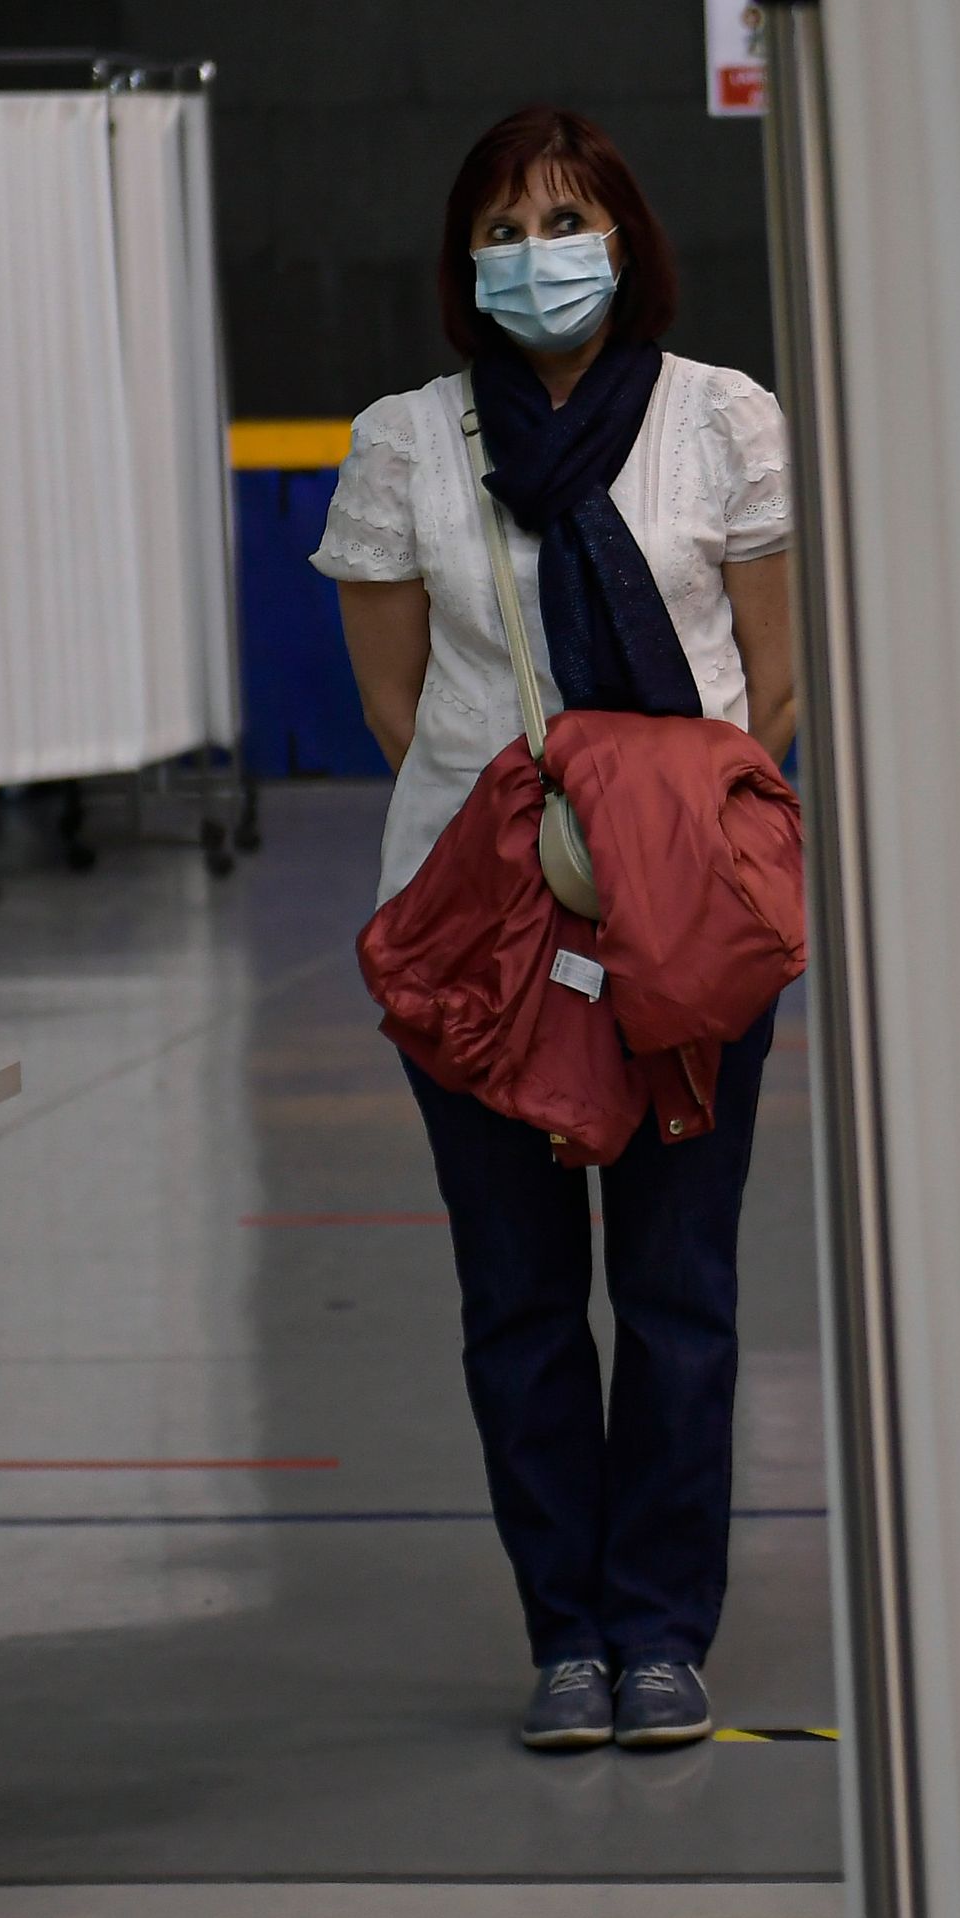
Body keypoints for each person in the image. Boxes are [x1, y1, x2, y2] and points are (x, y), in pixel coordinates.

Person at [316, 106, 802, 1754]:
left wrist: (656, 844)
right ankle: (565, 1634)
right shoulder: (405, 442)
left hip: (686, 929)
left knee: (678, 1285)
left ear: (629, 235)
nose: (541, 253)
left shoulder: (724, 421)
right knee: (518, 1298)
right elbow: (396, 701)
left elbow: (773, 676)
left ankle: (661, 1629)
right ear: (467, 258)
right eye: (508, 226)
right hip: (474, 934)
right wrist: (536, 855)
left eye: (569, 216)